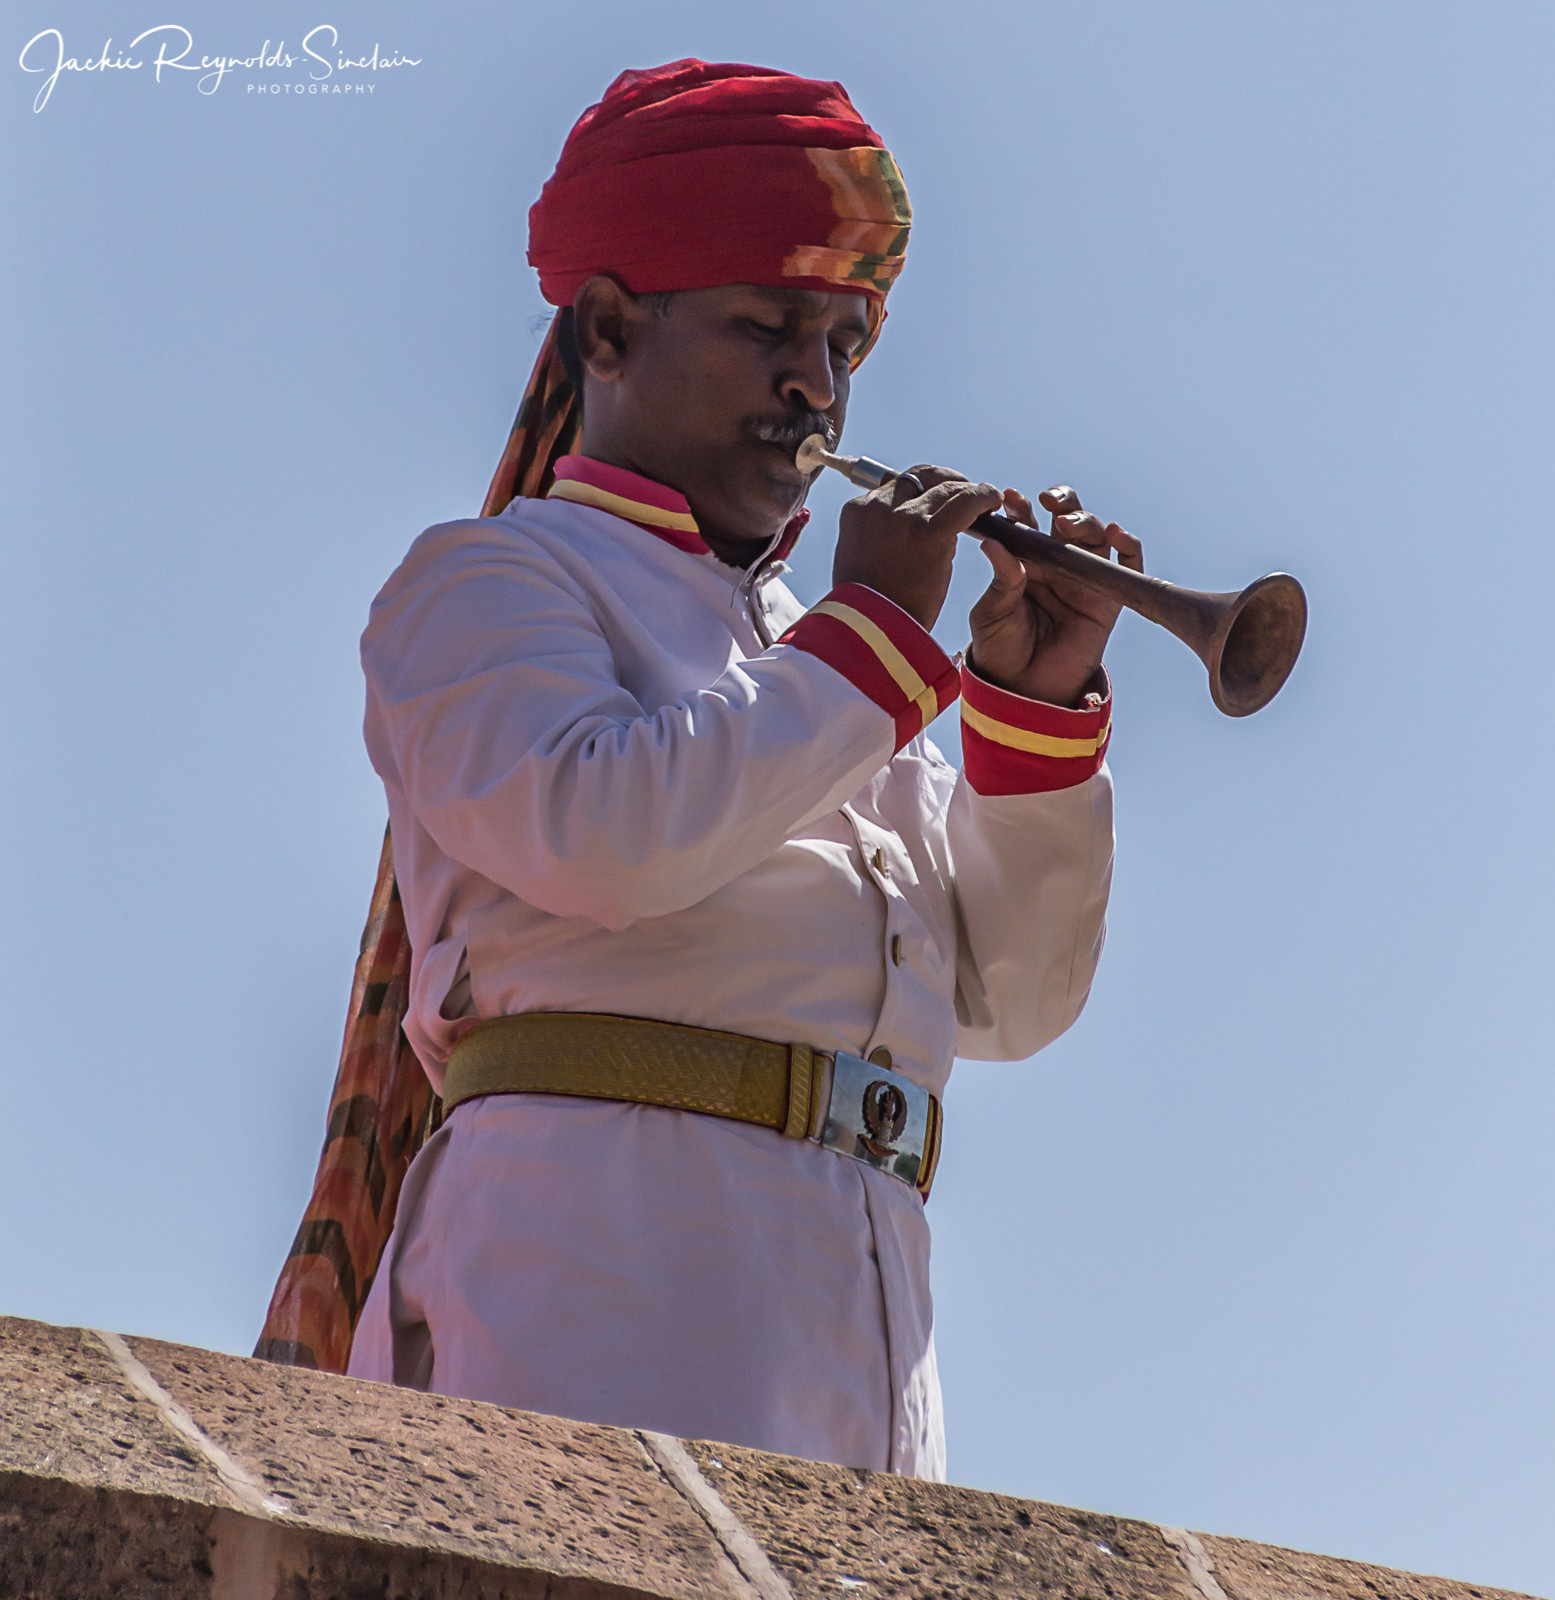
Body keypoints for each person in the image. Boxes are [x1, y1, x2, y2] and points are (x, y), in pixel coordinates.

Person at [266, 58, 1140, 1481]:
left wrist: (1030, 719)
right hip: (598, 1292)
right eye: (770, 329)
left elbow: (1010, 1002)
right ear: (608, 329)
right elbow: (604, 837)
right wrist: (876, 631)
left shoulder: (830, 667)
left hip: (864, 1320)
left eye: (846, 346)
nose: (817, 386)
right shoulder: (488, 583)